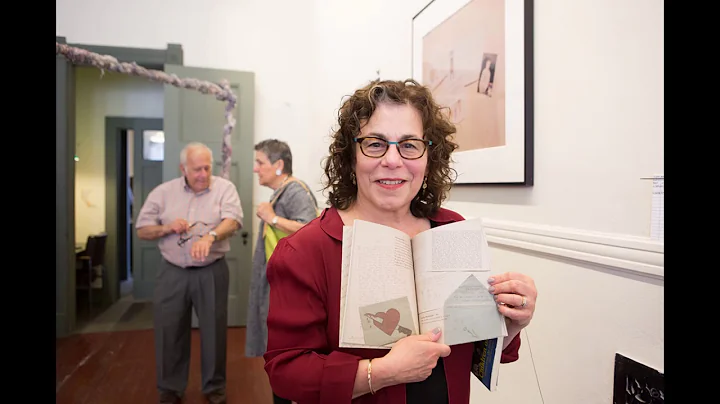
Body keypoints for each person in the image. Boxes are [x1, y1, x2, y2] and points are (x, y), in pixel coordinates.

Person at [263, 79, 538, 404]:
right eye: (375, 144)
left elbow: (475, 348)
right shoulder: (306, 251)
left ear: (428, 156)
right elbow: (285, 373)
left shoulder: (451, 230)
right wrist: (382, 372)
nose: (393, 160)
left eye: (409, 145)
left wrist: (512, 322)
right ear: (351, 155)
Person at [135, 142, 243, 404]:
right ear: (183, 168)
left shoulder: (224, 188)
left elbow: (234, 220)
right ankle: (170, 390)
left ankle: (214, 389)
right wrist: (167, 228)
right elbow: (142, 229)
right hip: (172, 273)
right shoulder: (163, 193)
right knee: (169, 332)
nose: (203, 174)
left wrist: (211, 236)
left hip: (212, 271)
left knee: (214, 333)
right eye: (196, 169)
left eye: (207, 167)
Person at [245, 140, 318, 402]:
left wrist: (272, 219)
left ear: (278, 165)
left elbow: (312, 231)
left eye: (260, 163)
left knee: (283, 355)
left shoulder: (295, 191)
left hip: (288, 290)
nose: (255, 169)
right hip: (277, 285)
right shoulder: (281, 192)